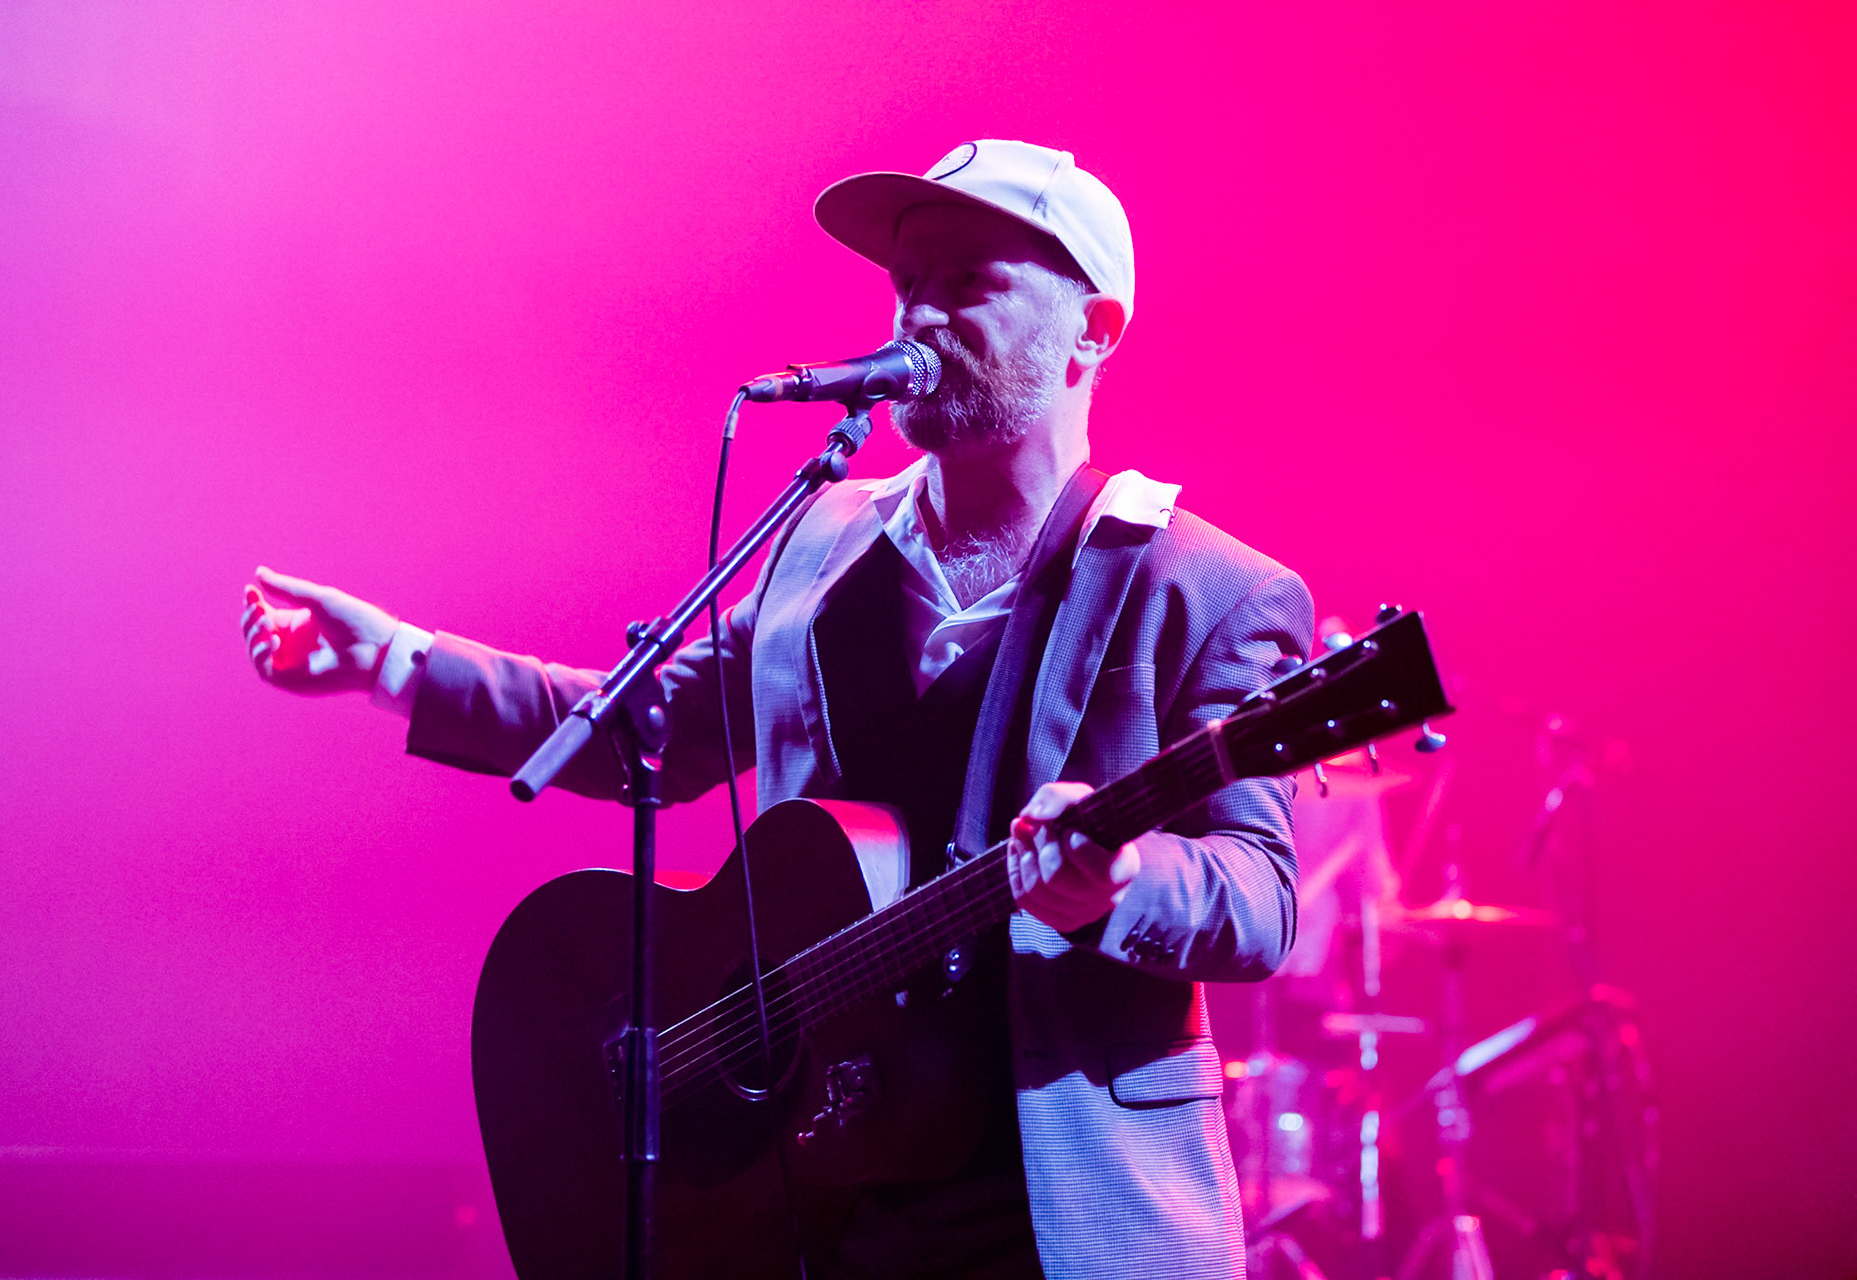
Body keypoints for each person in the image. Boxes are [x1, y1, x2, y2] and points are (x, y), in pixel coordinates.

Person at [242, 140, 1313, 1280]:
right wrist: (398, 662)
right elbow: (640, 728)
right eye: (908, 283)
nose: (921, 315)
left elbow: (1262, 896)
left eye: (968, 283)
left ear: (1092, 331)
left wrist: (1128, 877)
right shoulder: (821, 544)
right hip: (816, 1199)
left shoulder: (1204, 588)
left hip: (1067, 1209)